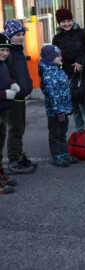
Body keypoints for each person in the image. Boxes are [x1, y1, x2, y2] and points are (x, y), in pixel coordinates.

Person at [52, 8, 85, 133]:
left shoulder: (83, 33)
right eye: (63, 22)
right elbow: (56, 57)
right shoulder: (57, 38)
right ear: (59, 23)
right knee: (74, 106)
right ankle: (79, 132)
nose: (66, 24)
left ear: (72, 20)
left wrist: (81, 60)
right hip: (68, 75)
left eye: (69, 20)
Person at [3, 19, 36, 174]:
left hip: (21, 96)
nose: (21, 37)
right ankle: (13, 160)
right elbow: (5, 74)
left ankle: (19, 154)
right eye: (17, 35)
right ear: (10, 35)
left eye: (23, 34)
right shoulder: (8, 52)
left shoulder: (18, 50)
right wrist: (13, 84)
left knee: (20, 127)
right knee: (15, 128)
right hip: (12, 97)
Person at [38, 45, 79, 167]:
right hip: (56, 111)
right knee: (56, 133)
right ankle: (56, 155)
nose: (61, 57)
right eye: (57, 56)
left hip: (64, 109)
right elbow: (52, 95)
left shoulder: (57, 69)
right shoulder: (48, 73)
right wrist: (59, 111)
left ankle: (64, 153)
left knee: (62, 132)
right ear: (51, 58)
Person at [0, 33, 19, 194]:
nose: (5, 54)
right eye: (1, 50)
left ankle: (0, 173)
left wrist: (12, 84)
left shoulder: (3, 64)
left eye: (6, 50)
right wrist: (4, 94)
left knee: (0, 144)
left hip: (3, 110)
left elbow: (6, 78)